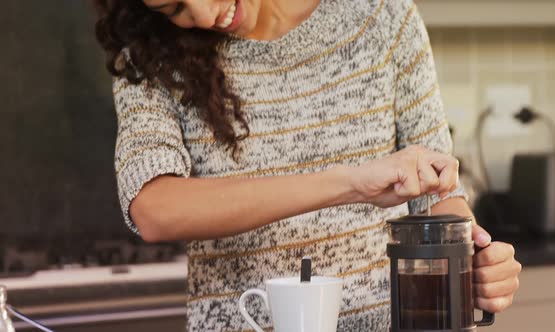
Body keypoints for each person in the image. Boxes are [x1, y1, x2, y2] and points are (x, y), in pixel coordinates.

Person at [93, 0, 521, 330]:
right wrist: (348, 183)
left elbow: (440, 196)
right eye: (174, 8)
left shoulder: (381, 19)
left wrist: (475, 261)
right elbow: (153, 208)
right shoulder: (148, 60)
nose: (204, 14)